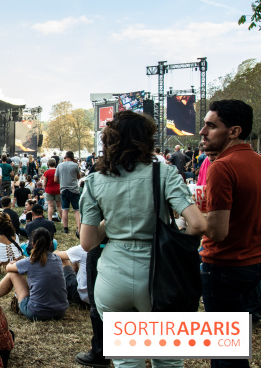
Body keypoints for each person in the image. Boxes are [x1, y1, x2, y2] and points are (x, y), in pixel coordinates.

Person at [80, 110, 206, 368]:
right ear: (146, 140)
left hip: (113, 275)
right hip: (159, 273)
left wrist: (112, 222)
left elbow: (88, 242)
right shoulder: (165, 173)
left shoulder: (95, 180)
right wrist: (176, 241)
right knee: (168, 359)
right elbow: (198, 224)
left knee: (127, 360)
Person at [196, 99, 261, 368]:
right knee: (236, 347)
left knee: (225, 353)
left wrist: (192, 221)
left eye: (211, 126)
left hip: (224, 266)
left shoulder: (222, 166)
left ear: (233, 131)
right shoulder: (257, 160)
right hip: (253, 263)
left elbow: (218, 231)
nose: (202, 132)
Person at [0, 228, 68, 321]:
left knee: (12, 274)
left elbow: (8, 268)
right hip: (60, 311)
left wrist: (13, 262)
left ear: (32, 244)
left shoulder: (30, 261)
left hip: (37, 312)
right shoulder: (57, 259)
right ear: (50, 243)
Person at [55, 151, 82, 234]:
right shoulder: (75, 165)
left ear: (65, 157)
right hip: (74, 190)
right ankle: (78, 228)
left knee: (65, 210)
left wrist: (62, 181)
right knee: (77, 210)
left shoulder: (59, 166)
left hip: (63, 190)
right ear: (73, 157)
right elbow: (78, 177)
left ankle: (65, 228)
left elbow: (55, 179)